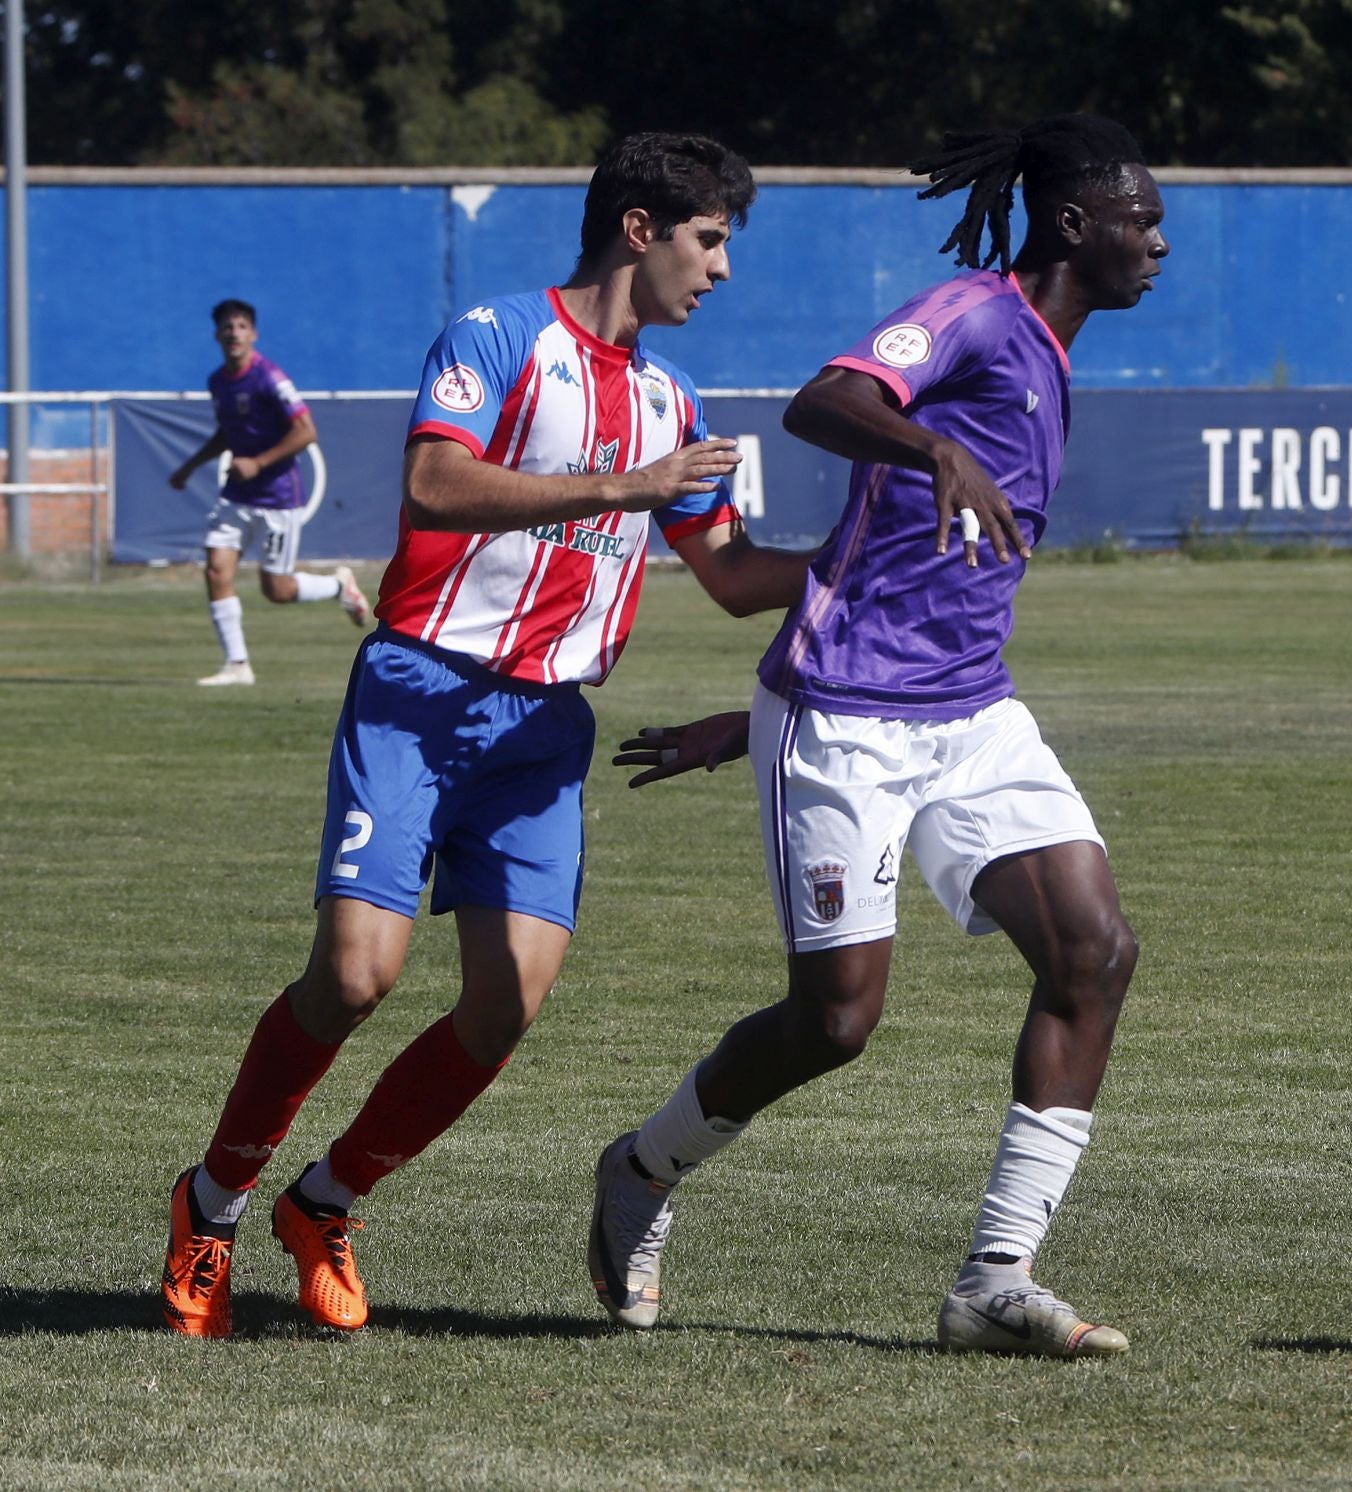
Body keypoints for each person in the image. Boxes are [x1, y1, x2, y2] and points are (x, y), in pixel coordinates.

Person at [161, 132, 814, 1339]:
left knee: (506, 1004)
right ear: (639, 228)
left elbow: (726, 573)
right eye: (709, 239)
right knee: (355, 974)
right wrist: (624, 488)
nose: (720, 270)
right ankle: (212, 1201)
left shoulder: (672, 399)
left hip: (542, 731)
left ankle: (329, 1200)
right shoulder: (499, 338)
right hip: (419, 692)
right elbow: (435, 486)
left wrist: (857, 566)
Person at [588, 113, 1168, 1358]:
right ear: (1075, 223)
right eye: (1142, 218)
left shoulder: (1056, 353)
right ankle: (642, 1168)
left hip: (971, 711)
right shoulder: (971, 312)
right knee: (836, 1024)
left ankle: (993, 1279)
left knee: (1096, 953)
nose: (1158, 244)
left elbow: (899, 581)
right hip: (846, 721)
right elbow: (828, 400)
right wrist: (934, 443)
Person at [169, 299, 370, 686]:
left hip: (277, 496)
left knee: (276, 589)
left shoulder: (269, 377)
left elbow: (306, 431)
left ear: (253, 334)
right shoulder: (218, 381)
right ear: (217, 335)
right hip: (236, 494)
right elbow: (228, 432)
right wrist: (190, 466)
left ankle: (338, 586)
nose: (234, 333)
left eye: (242, 326)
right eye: (227, 327)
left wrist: (258, 463)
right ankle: (237, 665)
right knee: (216, 570)